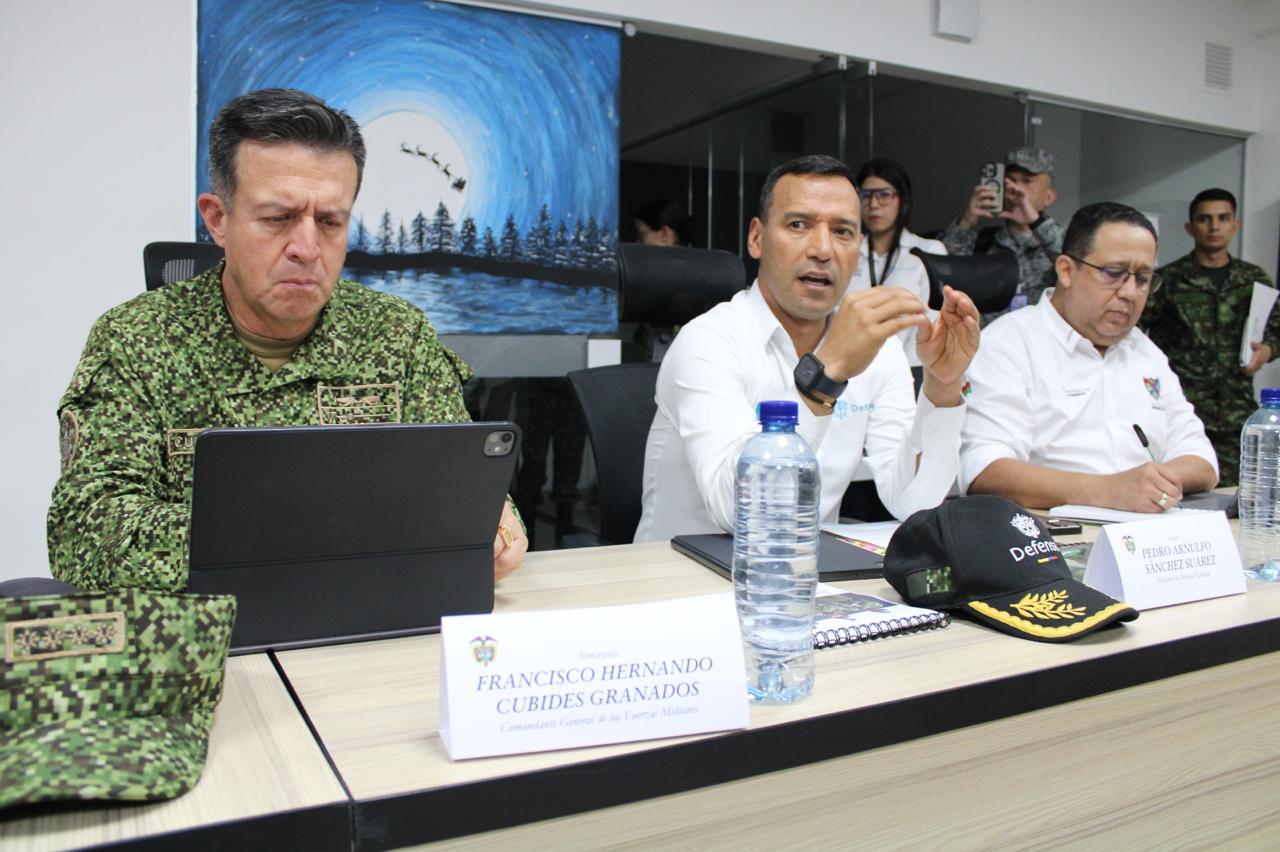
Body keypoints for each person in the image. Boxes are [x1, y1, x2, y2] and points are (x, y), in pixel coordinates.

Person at [47, 88, 527, 590]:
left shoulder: (396, 333)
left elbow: (462, 483)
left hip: (369, 615)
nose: (306, 248)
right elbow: (86, 535)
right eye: (278, 218)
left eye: (329, 222)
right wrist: (306, 537)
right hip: (215, 636)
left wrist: (495, 521)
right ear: (218, 220)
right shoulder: (135, 340)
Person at [634, 155, 980, 542]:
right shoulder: (708, 341)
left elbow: (912, 502)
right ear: (756, 238)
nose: (822, 250)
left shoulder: (879, 351)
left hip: (802, 580)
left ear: (858, 248)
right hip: (681, 583)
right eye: (798, 225)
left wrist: (943, 387)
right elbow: (737, 512)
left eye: (843, 232)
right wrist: (826, 374)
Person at [960, 202, 1218, 511]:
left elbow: (1202, 458)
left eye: (1143, 278)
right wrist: (1109, 491)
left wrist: (1152, 483)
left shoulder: (1145, 352)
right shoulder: (1009, 344)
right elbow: (984, 470)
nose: (1130, 293)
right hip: (1051, 535)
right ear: (1067, 271)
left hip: (1151, 527)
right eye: (1114, 273)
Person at [1141, 188, 1280, 486]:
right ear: (1190, 227)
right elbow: (1136, 332)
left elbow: (1276, 328)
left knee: (1239, 496)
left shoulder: (1253, 278)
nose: (1214, 227)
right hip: (1184, 410)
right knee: (1181, 492)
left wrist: (1266, 351)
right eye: (1205, 219)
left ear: (1235, 225)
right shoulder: (1169, 280)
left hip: (1236, 411)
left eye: (1223, 218)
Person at [941, 147, 1063, 313]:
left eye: (1026, 181)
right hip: (988, 336)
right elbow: (944, 273)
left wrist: (1035, 221)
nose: (1016, 188)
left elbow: (1078, 267)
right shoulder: (983, 242)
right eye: (1010, 181)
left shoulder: (1059, 241)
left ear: (1049, 197)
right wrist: (967, 221)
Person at [850, 158, 947, 367]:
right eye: (866, 195)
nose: (873, 204)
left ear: (903, 201)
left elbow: (935, 322)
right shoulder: (849, 251)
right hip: (854, 369)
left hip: (912, 370)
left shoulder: (927, 252)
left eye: (884, 195)